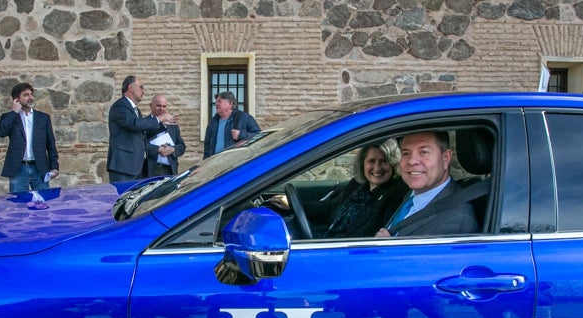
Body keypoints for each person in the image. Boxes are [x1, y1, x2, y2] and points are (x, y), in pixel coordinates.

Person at [278, 140, 408, 239]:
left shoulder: (394, 194)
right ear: (363, 163)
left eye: (383, 161)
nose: (377, 168)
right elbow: (330, 208)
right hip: (325, 235)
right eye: (371, 161)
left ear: (393, 163)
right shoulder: (358, 185)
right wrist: (292, 205)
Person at [375, 130, 478, 238]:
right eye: (406, 153)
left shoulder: (455, 222)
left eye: (423, 152)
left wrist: (384, 248)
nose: (411, 161)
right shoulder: (414, 194)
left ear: (446, 159)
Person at [107, 76, 177, 182]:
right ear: (130, 88)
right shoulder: (120, 106)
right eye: (140, 87)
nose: (143, 91)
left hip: (136, 167)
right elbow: (134, 124)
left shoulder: (136, 111)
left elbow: (140, 133)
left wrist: (163, 123)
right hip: (123, 166)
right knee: (122, 198)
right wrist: (159, 119)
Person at [0, 82, 59, 193]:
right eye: (26, 95)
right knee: (19, 203)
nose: (30, 97)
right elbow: (1, 132)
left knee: (42, 202)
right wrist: (14, 112)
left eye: (31, 94)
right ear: (17, 99)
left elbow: (50, 143)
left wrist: (54, 167)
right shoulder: (9, 117)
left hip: (39, 167)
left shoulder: (43, 118)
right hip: (18, 168)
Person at [202, 91, 261, 158]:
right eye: (216, 101)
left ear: (230, 104)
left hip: (235, 163)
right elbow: (207, 147)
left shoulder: (244, 118)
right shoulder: (213, 122)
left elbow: (259, 136)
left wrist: (241, 135)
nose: (216, 104)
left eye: (219, 101)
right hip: (215, 164)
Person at [145, 94, 186, 177]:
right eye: (158, 106)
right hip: (150, 170)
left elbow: (182, 146)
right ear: (151, 105)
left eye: (164, 106)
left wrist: (172, 149)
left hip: (169, 170)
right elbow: (140, 145)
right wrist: (158, 149)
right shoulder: (144, 123)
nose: (162, 109)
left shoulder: (172, 124)